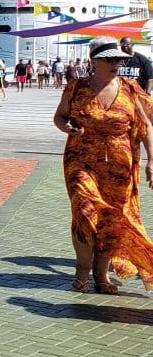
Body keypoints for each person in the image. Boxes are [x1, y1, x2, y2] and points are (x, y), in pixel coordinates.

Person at [54, 36, 153, 294]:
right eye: (109, 59)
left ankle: (101, 275)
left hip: (119, 166)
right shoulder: (76, 87)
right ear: (94, 61)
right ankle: (81, 273)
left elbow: (146, 128)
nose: (116, 64)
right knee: (84, 212)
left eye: (119, 59)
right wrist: (66, 126)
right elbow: (60, 116)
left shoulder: (130, 89)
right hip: (81, 159)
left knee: (111, 219)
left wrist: (151, 161)